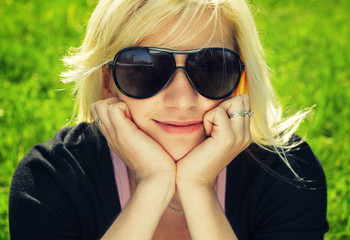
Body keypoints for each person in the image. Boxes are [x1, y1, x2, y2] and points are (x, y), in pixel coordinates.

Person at [9, 0, 328, 239]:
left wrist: (197, 186)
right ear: (107, 81)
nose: (182, 100)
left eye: (211, 67)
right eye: (144, 68)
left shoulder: (290, 173)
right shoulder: (50, 179)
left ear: (241, 80)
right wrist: (153, 182)